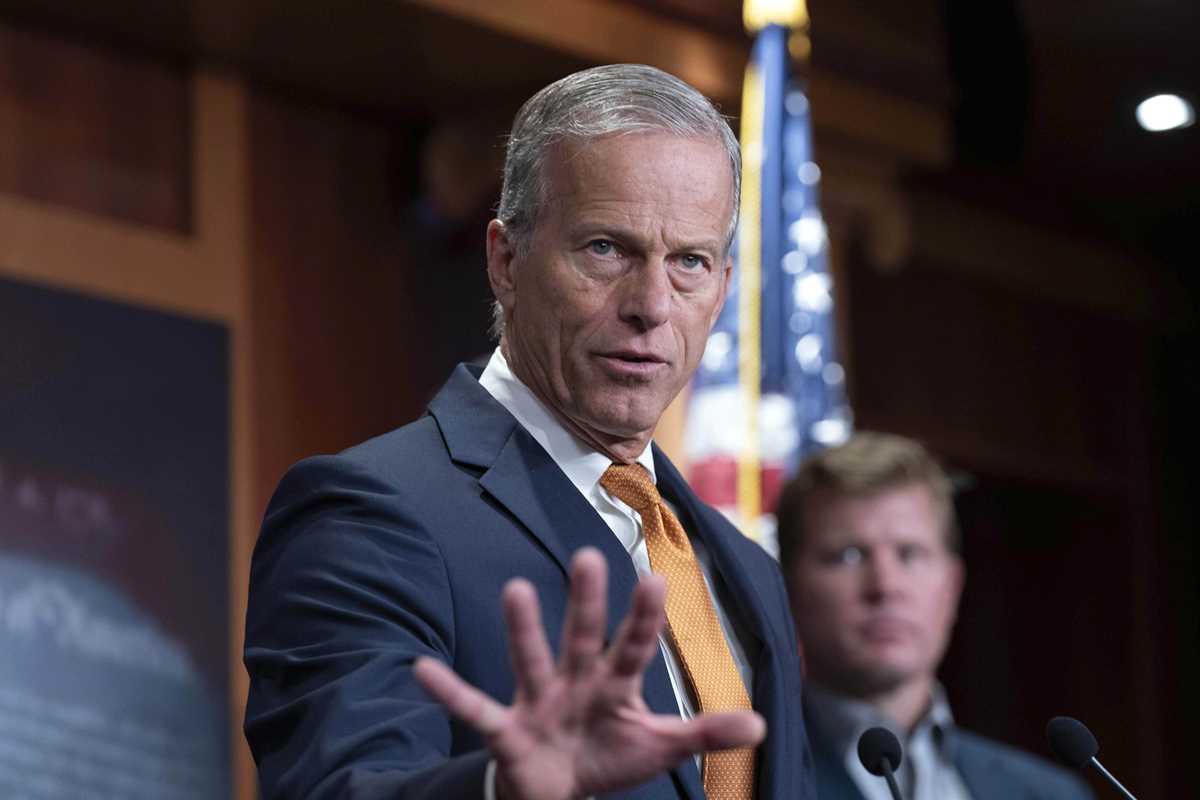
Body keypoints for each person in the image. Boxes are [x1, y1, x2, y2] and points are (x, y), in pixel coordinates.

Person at [244, 64, 814, 800]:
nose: (651, 305)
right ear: (506, 261)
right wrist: (499, 790)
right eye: (606, 248)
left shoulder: (747, 568)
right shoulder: (370, 515)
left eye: (689, 262)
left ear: (724, 288)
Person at [776, 432, 1092, 800]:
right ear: (787, 589)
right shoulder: (745, 778)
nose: (886, 586)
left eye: (910, 554)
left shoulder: (1052, 794)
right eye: (848, 555)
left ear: (952, 586)